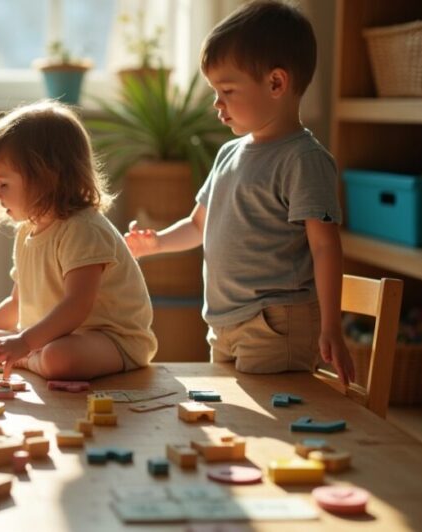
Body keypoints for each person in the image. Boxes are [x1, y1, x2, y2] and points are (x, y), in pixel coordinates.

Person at [124, 0, 355, 384]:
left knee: (277, 417)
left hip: (275, 321)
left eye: (227, 90)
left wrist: (331, 325)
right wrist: (158, 243)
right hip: (224, 322)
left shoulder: (303, 159)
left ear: (276, 83)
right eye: (215, 90)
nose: (217, 103)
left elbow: (325, 247)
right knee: (237, 415)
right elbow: (200, 225)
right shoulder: (228, 153)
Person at [0, 101, 157, 380]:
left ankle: (26, 360)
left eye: (3, 184)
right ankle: (27, 358)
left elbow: (77, 305)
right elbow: (17, 303)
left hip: (109, 341)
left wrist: (23, 343)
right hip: (43, 337)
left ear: (44, 179)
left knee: (58, 358)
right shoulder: (26, 231)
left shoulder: (84, 229)